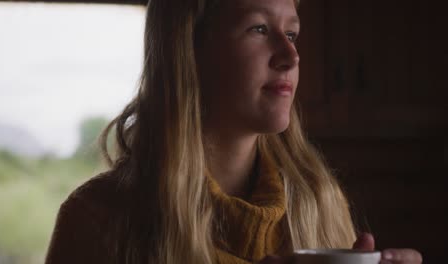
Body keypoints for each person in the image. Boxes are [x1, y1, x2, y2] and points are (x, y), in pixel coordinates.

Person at [44, 0, 423, 263]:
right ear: (189, 51)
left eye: (291, 34)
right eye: (259, 28)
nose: (290, 56)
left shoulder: (320, 201)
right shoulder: (96, 223)